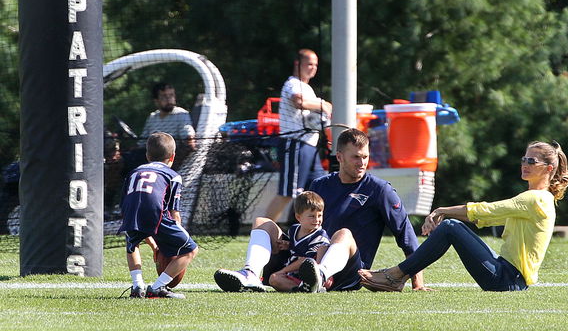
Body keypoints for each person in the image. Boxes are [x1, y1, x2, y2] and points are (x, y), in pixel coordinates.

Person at [213, 128, 426, 292]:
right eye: (355, 157)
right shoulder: (320, 185)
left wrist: (418, 282)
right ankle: (251, 275)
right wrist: (289, 242)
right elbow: (303, 224)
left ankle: (320, 277)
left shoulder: (380, 190)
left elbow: (406, 236)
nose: (362, 163)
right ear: (340, 157)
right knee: (263, 223)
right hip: (306, 257)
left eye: (365, 157)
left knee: (343, 234)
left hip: (346, 271)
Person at [358, 140, 568, 292]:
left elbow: (486, 210)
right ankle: (397, 277)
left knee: (450, 226)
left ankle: (395, 276)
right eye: (524, 158)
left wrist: (442, 210)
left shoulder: (536, 199)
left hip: (509, 281)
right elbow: (488, 218)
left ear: (549, 168)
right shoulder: (535, 198)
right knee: (451, 227)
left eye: (532, 161)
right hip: (507, 274)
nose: (525, 164)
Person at [119, 132, 198, 299]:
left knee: (132, 245)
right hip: (156, 214)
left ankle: (137, 286)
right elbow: (173, 212)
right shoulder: (173, 176)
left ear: (147, 155)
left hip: (130, 212)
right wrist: (175, 239)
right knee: (191, 250)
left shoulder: (134, 172)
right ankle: (157, 287)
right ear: (173, 156)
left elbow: (136, 209)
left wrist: (155, 246)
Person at [264, 49, 333, 221]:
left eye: (316, 65)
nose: (313, 68)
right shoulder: (293, 84)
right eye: (309, 64)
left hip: (309, 146)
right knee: (288, 193)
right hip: (294, 144)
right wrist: (323, 105)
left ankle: (300, 231)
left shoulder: (307, 88)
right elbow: (299, 101)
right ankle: (261, 234)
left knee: (317, 191)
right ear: (297, 64)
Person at [263, 191, 329, 292]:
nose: (316, 220)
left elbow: (307, 261)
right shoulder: (294, 230)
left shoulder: (320, 237)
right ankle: (302, 289)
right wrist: (288, 245)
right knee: (273, 279)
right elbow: (297, 248)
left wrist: (283, 271)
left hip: (307, 277)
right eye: (311, 216)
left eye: (319, 215)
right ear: (298, 217)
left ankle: (310, 287)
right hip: (292, 274)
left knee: (275, 278)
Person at [138, 83, 196, 168]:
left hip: (174, 162)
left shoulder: (181, 114)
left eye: (171, 95)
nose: (169, 99)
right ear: (156, 100)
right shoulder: (152, 117)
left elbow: (189, 140)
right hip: (151, 161)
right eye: (164, 96)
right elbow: (141, 143)